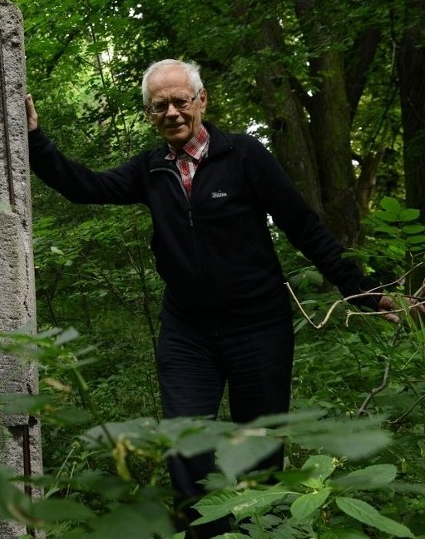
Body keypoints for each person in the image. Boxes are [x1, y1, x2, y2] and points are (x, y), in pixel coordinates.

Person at [25, 59, 417, 537]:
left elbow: (304, 227)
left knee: (259, 447)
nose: (171, 112)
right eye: (159, 105)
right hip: (187, 332)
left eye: (180, 101)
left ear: (201, 101)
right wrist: (33, 139)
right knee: (186, 447)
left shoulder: (244, 156)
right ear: (150, 114)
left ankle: (269, 530)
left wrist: (365, 293)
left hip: (259, 327)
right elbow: (83, 186)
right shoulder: (150, 170)